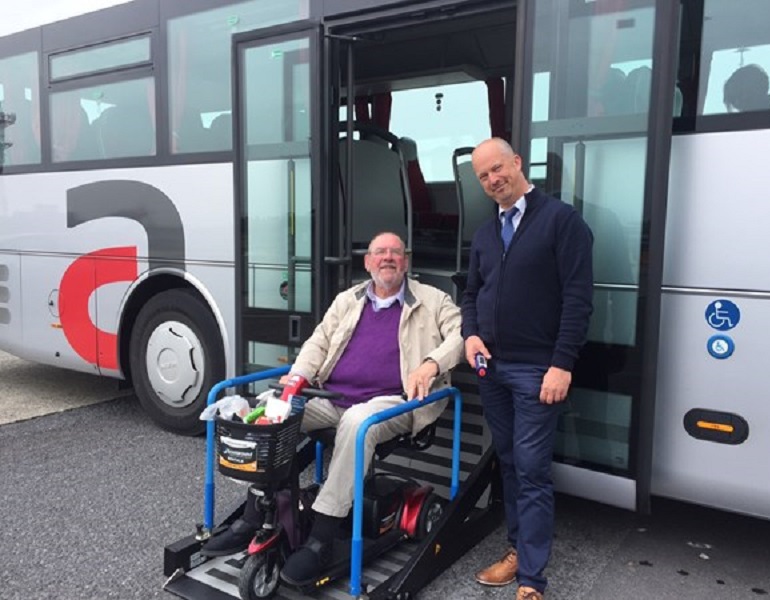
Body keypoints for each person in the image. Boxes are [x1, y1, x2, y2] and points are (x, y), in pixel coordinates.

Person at [202, 231, 463, 585]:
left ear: (406, 261)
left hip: (395, 402)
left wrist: (431, 364)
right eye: (379, 253)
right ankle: (254, 515)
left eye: (395, 253)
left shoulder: (433, 300)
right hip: (331, 398)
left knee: (358, 422)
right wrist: (294, 382)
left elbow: (461, 335)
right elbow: (318, 343)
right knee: (271, 409)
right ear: (368, 261)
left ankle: (321, 537)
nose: (387, 258)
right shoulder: (348, 299)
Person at [461, 138, 593, 600]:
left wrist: (562, 364)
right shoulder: (484, 233)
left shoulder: (562, 222)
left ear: (517, 163)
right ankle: (519, 550)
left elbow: (578, 301)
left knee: (533, 469)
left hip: (538, 371)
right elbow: (471, 294)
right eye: (483, 176)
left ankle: (532, 580)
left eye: (498, 168)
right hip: (492, 369)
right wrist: (470, 334)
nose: (493, 180)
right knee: (512, 463)